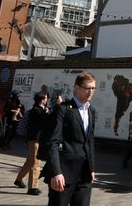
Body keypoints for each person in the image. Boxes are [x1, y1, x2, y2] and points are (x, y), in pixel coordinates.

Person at [41, 71, 97, 206]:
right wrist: (56, 172)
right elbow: (52, 142)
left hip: (84, 174)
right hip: (64, 173)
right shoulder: (64, 109)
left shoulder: (91, 110)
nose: (90, 91)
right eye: (87, 88)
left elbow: (89, 141)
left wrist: (92, 168)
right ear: (77, 88)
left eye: (93, 88)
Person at [14, 91, 49, 195]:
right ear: (42, 100)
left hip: (34, 139)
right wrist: (47, 113)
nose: (47, 100)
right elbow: (42, 123)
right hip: (35, 139)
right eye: (46, 98)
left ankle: (19, 179)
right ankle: (32, 187)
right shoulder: (37, 110)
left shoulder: (38, 110)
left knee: (30, 161)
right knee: (36, 162)